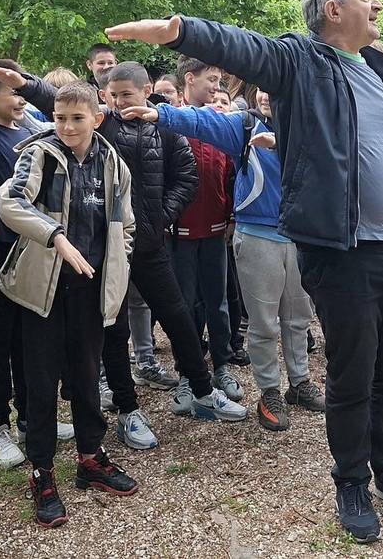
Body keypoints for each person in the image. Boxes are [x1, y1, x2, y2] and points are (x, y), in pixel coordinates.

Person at [105, 0, 383, 544]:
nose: (378, 5)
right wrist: (180, 32)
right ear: (333, 10)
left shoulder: (380, 73)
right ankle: (351, 480)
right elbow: (248, 48)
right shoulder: (304, 63)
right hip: (344, 251)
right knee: (353, 371)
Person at [0, 61, 247, 448]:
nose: (120, 100)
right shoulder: (102, 126)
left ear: (145, 93)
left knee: (177, 316)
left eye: (128, 93)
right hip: (105, 252)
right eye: (113, 94)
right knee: (114, 329)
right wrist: (25, 84)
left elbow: (187, 178)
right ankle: (128, 409)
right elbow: (64, 104)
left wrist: (160, 218)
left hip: (149, 244)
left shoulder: (167, 128)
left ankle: (201, 389)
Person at [124, 88, 324, 433]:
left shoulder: (312, 126)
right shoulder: (244, 126)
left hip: (302, 235)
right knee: (263, 323)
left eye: (274, 87)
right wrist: (162, 114)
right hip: (259, 233)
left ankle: (300, 382)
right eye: (262, 87)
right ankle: (269, 391)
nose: (267, 95)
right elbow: (204, 121)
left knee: (299, 318)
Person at [0, 80, 140, 526]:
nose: (67, 125)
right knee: (39, 384)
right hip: (44, 292)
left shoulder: (114, 163)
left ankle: (90, 458)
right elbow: (10, 201)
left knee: (84, 375)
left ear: (97, 118)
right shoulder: (38, 153)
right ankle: (42, 471)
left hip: (90, 291)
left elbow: (126, 225)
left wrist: (119, 264)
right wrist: (54, 236)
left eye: (77, 118)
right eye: (59, 117)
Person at [169, 56, 243, 403]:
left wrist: (231, 216)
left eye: (219, 81)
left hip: (216, 230)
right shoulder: (168, 122)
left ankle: (222, 366)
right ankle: (188, 371)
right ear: (189, 79)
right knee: (185, 305)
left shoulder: (221, 122)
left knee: (218, 301)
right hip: (179, 233)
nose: (216, 87)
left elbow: (230, 175)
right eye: (211, 79)